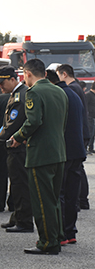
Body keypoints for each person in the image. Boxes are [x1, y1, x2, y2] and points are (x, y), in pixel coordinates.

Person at [10, 59, 67, 255]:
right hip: (58, 152)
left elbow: (33, 121)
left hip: (40, 154)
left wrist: (18, 137)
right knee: (53, 199)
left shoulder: (33, 92)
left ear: (27, 74)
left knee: (42, 200)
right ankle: (57, 235)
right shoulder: (59, 91)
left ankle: (47, 242)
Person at [0, 66, 33, 233]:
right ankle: (17, 217)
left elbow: (11, 126)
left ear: (13, 79)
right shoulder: (16, 94)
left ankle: (24, 221)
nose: (0, 87)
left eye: (2, 83)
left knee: (20, 185)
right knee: (16, 184)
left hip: (18, 149)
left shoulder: (20, 96)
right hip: (14, 147)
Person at [45, 68, 85, 245]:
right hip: (77, 150)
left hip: (64, 151)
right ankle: (70, 232)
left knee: (59, 193)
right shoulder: (73, 93)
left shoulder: (58, 95)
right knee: (71, 195)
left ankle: (60, 232)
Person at [57, 64, 90, 210]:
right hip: (82, 132)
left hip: (78, 133)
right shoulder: (76, 87)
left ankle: (80, 200)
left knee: (76, 171)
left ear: (64, 74)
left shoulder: (71, 89)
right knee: (78, 169)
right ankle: (81, 200)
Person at [0, 92, 12, 212]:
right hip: (15, 139)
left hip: (1, 138)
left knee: (1, 172)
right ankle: (14, 203)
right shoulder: (20, 98)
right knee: (16, 174)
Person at [85, 84, 95, 154]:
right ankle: (86, 148)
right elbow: (86, 105)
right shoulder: (88, 95)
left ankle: (91, 148)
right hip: (90, 117)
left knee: (93, 134)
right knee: (90, 133)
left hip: (93, 117)